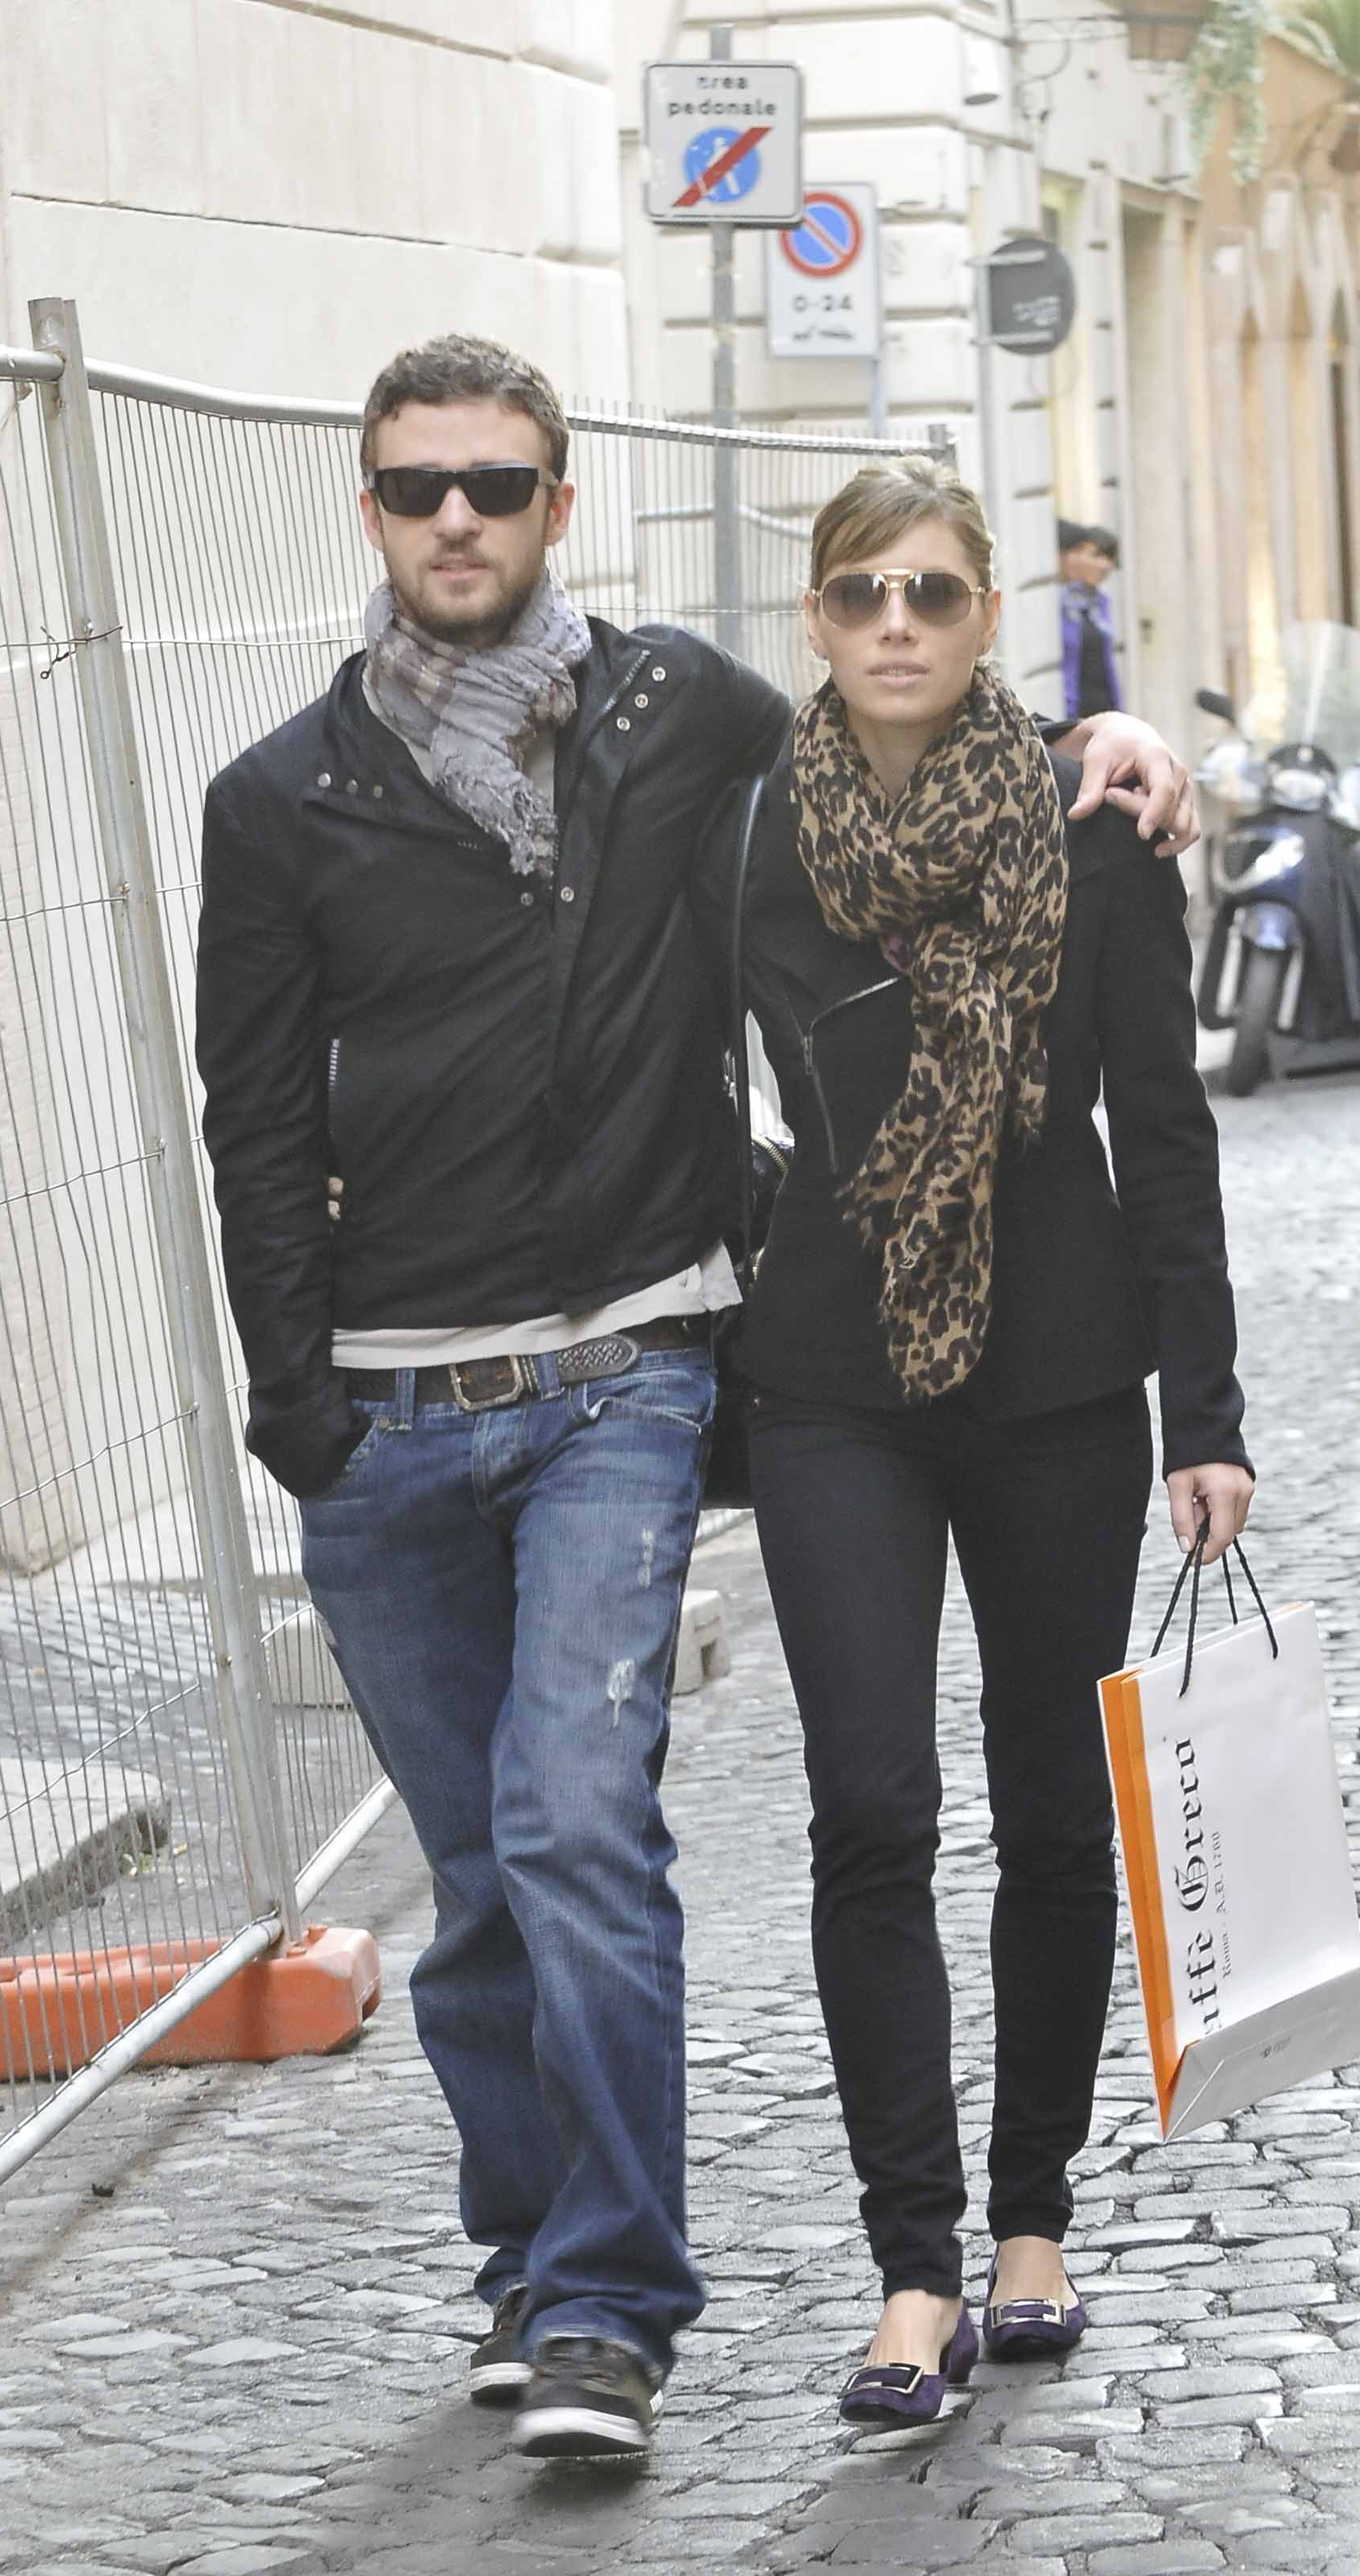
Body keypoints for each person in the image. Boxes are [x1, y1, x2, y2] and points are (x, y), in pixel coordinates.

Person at [194, 337, 1197, 2462]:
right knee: (664, 1852)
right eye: (416, 486)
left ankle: (828, 2265)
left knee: (796, 1820)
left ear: (558, 506)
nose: (456, 517)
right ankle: (713, 2263)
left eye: (495, 482)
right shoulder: (428, 803)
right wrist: (297, 1394)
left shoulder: (818, 762)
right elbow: (278, 1110)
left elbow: (1121, 1070)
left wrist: (1116, 736)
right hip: (607, 1392)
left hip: (839, 1376)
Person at [715, 457, 1253, 2429]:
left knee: (1049, 1809)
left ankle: (1031, 2226)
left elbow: (1160, 1133)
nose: (898, 625)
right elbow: (675, 1074)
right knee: (869, 1802)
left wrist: (1205, 1410)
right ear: (817, 616)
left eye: (934, 591)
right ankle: (913, 2265)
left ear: (987, 615)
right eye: (863, 590)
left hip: (1058, 1380)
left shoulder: (1094, 832)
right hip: (832, 1380)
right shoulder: (752, 836)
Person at [1060, 517, 1125, 720]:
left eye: (1109, 558)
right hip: (1073, 712)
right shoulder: (1061, 602)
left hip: (1104, 710)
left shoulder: (1101, 603)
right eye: (1096, 556)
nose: (1105, 565)